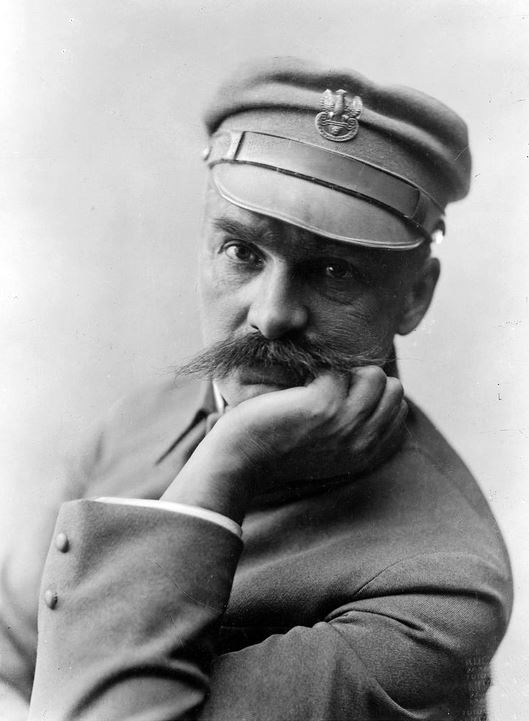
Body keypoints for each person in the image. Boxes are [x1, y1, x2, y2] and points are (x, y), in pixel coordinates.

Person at [1, 58, 512, 720]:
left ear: (414, 296)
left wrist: (230, 460)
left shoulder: (439, 586)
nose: (272, 315)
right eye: (242, 252)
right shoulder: (144, 419)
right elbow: (13, 651)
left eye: (333, 271)